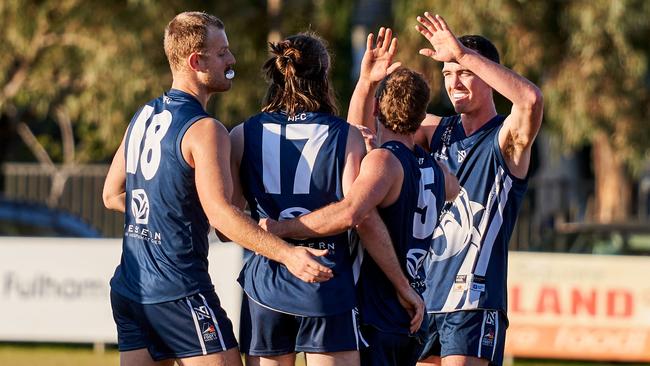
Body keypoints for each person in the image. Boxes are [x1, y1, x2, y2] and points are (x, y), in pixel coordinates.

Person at [102, 12, 333, 366]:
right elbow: (221, 217)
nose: (232, 60)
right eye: (223, 52)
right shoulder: (205, 129)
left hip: (130, 290)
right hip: (177, 291)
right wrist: (289, 254)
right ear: (197, 61)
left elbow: (112, 194)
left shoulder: (144, 115)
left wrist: (165, 213)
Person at [345, 14, 543, 366]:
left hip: (473, 302)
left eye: (464, 72)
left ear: (487, 74)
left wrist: (463, 54)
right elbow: (358, 138)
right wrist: (366, 85)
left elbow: (529, 100)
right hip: (424, 300)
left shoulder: (505, 139)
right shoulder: (436, 130)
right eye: (448, 74)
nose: (455, 83)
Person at [229, 32, 422, 366]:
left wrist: (272, 230)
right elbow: (359, 216)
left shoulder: (241, 134)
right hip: (326, 282)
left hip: (266, 286)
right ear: (323, 77)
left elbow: (228, 223)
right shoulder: (344, 134)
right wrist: (402, 284)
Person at [261, 63, 460, 365]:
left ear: (377, 109)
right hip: (412, 308)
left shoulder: (383, 162)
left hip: (379, 308)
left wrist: (281, 229)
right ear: (422, 117)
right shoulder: (440, 173)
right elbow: (451, 188)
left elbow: (351, 212)